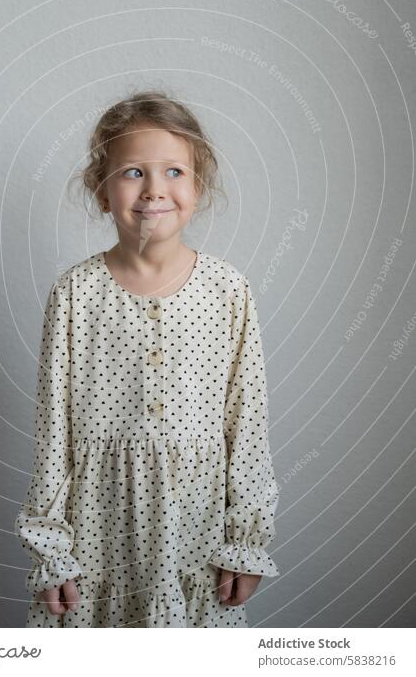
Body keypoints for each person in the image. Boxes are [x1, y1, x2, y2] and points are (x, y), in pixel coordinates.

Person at [14, 90, 280, 628]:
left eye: (174, 171)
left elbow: (246, 422)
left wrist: (245, 543)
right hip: (97, 531)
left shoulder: (230, 291)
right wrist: (51, 550)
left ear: (198, 188)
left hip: (196, 528)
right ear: (102, 191)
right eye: (133, 171)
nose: (155, 189)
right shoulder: (75, 294)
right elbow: (53, 431)